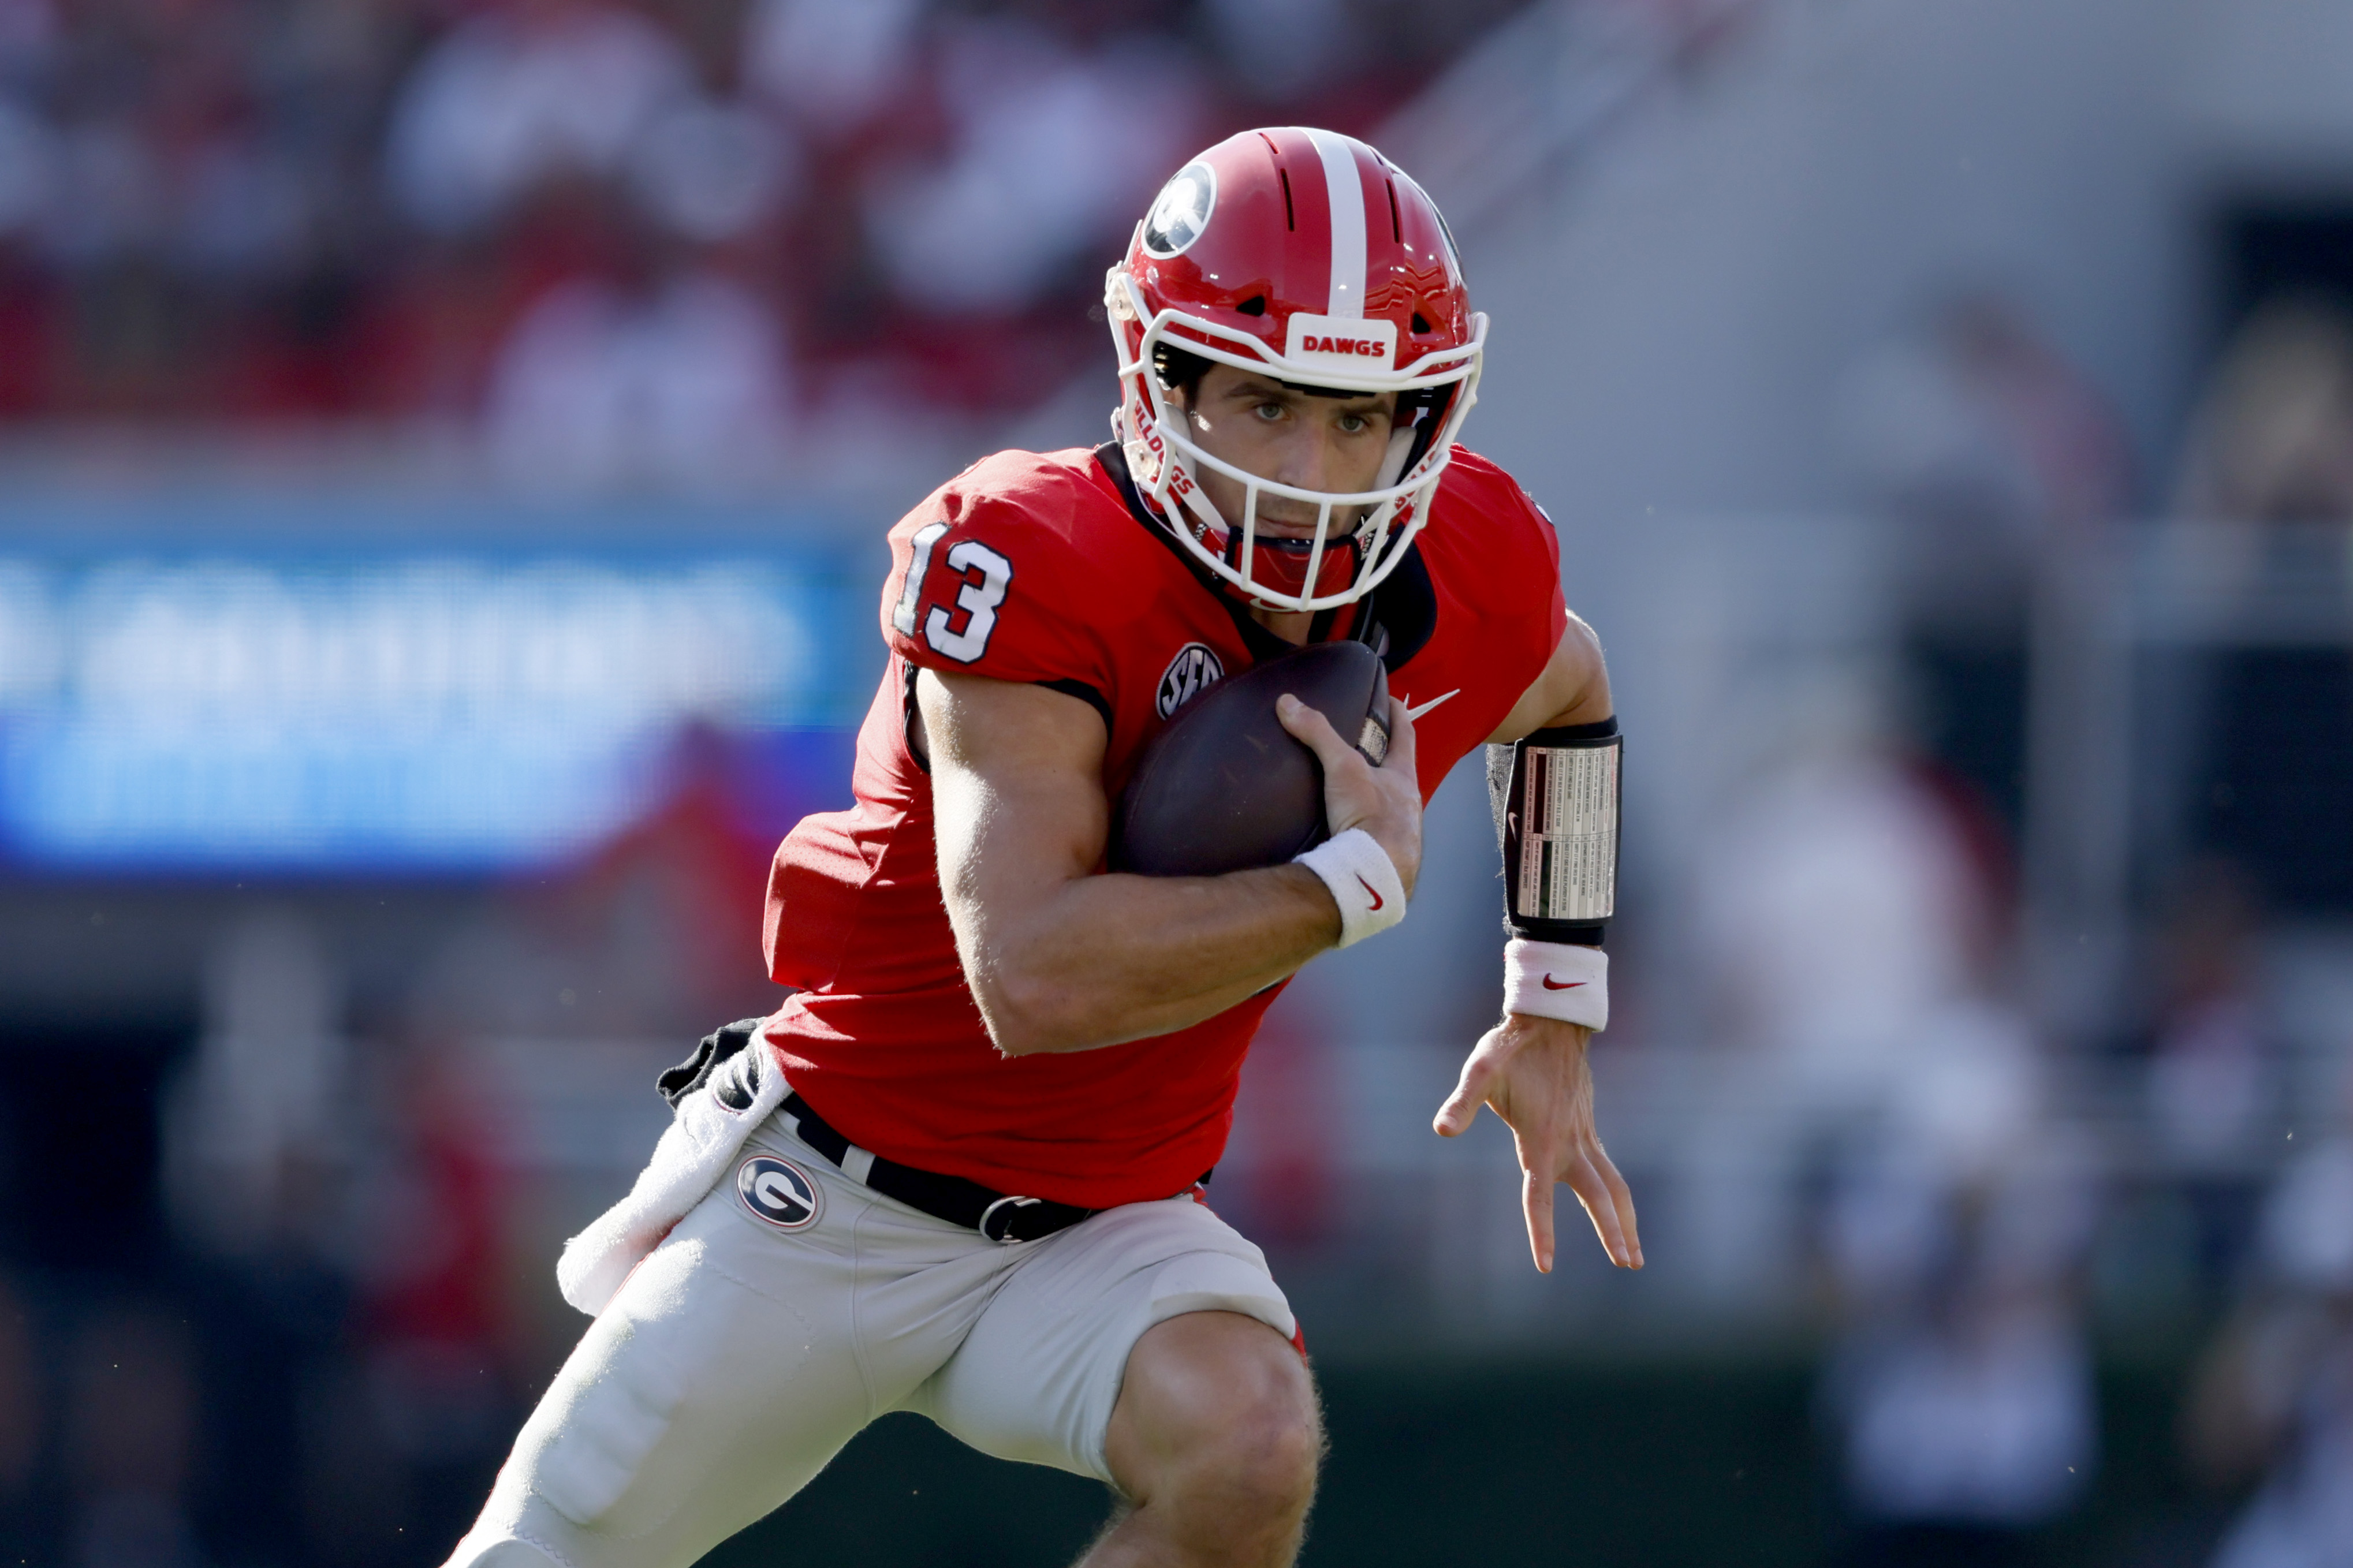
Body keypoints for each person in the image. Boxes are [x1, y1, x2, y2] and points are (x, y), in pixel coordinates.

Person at [442, 125, 1639, 1568]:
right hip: (835, 1191)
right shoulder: (1032, 555)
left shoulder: (1467, 563)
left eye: (1356, 413)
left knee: (1250, 1444)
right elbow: (1034, 974)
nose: (1312, 468)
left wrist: (1553, 993)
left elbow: (1568, 695)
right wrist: (1343, 885)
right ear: (1161, 377)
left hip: (1107, 1222)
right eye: (1263, 402)